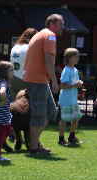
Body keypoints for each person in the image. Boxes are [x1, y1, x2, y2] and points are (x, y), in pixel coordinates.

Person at [23, 14, 64, 155]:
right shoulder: (50, 36)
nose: (62, 27)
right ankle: (34, 148)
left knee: (51, 112)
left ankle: (35, 143)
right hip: (38, 80)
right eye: (61, 24)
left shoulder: (40, 34)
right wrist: (54, 79)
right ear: (52, 23)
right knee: (39, 115)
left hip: (38, 79)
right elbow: (49, 60)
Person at [57, 48, 84, 146]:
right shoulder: (66, 70)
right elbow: (62, 86)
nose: (78, 58)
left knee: (76, 118)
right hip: (65, 99)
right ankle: (61, 139)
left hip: (73, 98)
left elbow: (74, 84)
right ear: (69, 58)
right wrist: (75, 85)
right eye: (76, 56)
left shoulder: (75, 70)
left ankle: (71, 137)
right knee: (64, 119)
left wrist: (78, 85)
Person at [10, 28, 38, 99]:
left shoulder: (14, 47)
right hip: (25, 80)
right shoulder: (30, 48)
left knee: (14, 104)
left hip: (13, 79)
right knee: (26, 105)